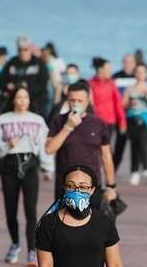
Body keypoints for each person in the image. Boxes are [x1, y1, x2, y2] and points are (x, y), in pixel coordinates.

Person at [0, 84, 53, 267]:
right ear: (13, 99)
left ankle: (32, 250)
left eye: (25, 97)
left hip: (30, 165)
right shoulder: (3, 119)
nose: (22, 101)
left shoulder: (38, 120)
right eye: (19, 97)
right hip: (10, 165)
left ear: (30, 100)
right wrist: (8, 144)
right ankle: (15, 244)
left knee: (31, 209)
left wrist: (48, 168)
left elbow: (44, 145)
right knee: (10, 209)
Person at [45, 80, 118, 209]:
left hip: (91, 186)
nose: (75, 104)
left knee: (92, 226)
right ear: (67, 100)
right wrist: (68, 127)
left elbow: (106, 156)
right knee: (64, 226)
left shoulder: (98, 123)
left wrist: (111, 186)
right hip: (66, 185)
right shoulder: (58, 120)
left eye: (80, 101)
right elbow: (49, 149)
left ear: (88, 100)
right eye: (72, 100)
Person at [122, 62, 147, 186]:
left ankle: (146, 169)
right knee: (134, 145)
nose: (140, 74)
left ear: (146, 74)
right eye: (137, 71)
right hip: (131, 119)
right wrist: (129, 104)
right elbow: (123, 104)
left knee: (143, 144)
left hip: (145, 120)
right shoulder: (130, 89)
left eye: (142, 72)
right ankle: (134, 171)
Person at [0, 38, 50, 117]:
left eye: (25, 50)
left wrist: (27, 88)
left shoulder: (39, 63)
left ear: (30, 49)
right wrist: (8, 86)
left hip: (36, 105)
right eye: (20, 50)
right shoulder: (11, 63)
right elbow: (2, 81)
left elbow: (43, 83)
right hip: (15, 106)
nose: (22, 52)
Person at [111, 54, 137, 171]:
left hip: (134, 115)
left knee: (136, 144)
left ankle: (135, 170)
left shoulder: (138, 77)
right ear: (123, 63)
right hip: (118, 115)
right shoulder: (116, 77)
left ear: (135, 63)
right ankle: (113, 168)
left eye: (131, 62)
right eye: (126, 62)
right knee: (119, 143)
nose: (128, 64)